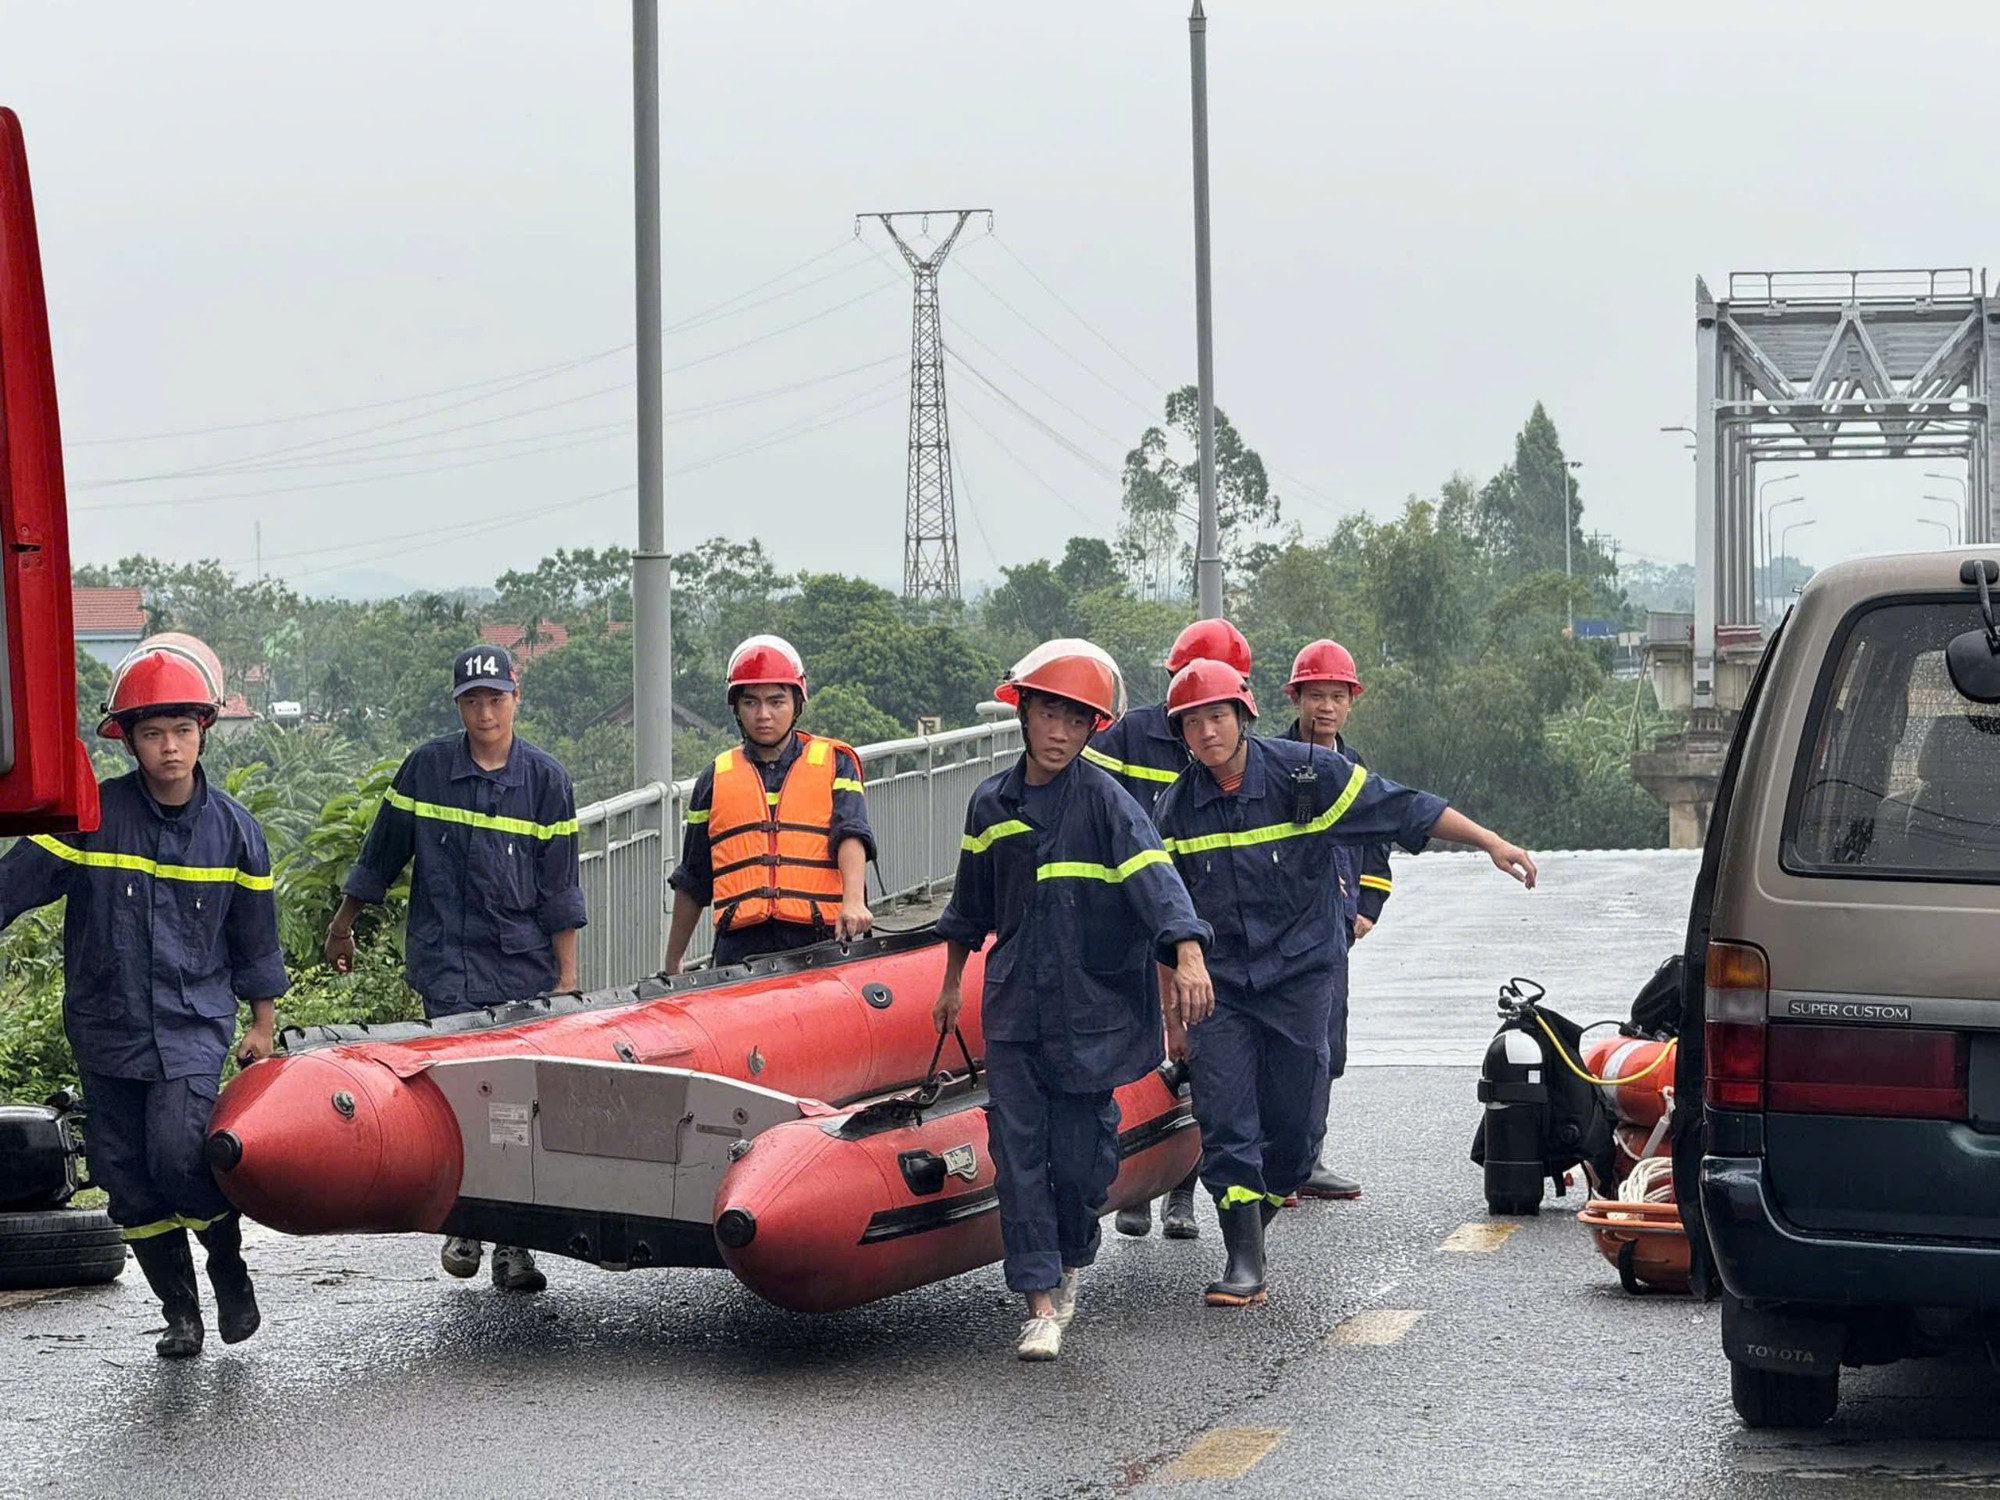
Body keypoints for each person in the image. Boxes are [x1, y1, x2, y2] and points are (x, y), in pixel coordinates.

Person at [1153, 657, 1536, 1309]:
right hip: (1222, 993)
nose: (1207, 732)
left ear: (1244, 717)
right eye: (1192, 723)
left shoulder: (1308, 779)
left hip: (1300, 976)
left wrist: (1487, 841)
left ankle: (1260, 1216)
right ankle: (1242, 1257)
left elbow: (1403, 807)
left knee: (1295, 1131)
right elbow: (1164, 915)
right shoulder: (1174, 813)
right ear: (1181, 735)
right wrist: (1174, 1019)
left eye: (1217, 716)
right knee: (1225, 1120)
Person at [0, 641, 288, 1357]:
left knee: (179, 1157)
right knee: (127, 1179)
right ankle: (180, 1312)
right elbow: (15, 884)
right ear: (127, 739)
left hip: (191, 1029)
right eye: (153, 733)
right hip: (106, 1028)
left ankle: (227, 1266)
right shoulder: (92, 817)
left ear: (203, 732)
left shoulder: (235, 832)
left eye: (182, 731)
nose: (169, 747)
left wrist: (262, 1023)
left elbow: (256, 939)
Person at [931, 640, 1213, 1361]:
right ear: (1021, 714)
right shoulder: (991, 803)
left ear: (1093, 729)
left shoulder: (1110, 805)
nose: (1058, 732)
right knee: (1018, 1153)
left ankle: (1071, 1258)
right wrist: (951, 979)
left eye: (1075, 720)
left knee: (1083, 1159)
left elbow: (1158, 882)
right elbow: (969, 903)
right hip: (1017, 1005)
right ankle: (1039, 1303)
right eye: (1046, 713)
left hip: (1093, 1010)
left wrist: (1185, 952)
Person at [326, 643, 585, 1294]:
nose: (485, 712)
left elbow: (561, 888)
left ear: (515, 699)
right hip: (447, 965)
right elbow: (380, 853)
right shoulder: (425, 771)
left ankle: (516, 1246)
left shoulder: (547, 782)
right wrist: (344, 921)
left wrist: (567, 977)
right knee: (457, 1098)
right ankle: (465, 1221)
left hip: (522, 967)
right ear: (460, 707)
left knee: (519, 1107)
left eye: (495, 698)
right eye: (472, 701)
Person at [1096, 617, 1251, 1242]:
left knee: (1195, 1055)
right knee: (1143, 1051)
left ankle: (1183, 1189)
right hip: (1136, 915)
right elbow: (1089, 797)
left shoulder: (1238, 748)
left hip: (1202, 918)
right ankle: (1138, 1185)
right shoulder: (1132, 736)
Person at [664, 634, 875, 973]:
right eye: (751, 703)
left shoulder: (836, 762)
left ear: (797, 703)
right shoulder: (715, 777)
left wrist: (853, 901)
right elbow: (693, 878)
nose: (764, 715)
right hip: (742, 949)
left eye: (776, 702)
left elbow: (850, 832)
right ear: (737, 708)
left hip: (820, 939)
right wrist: (673, 962)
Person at [1280, 640, 1388, 1201]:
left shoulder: (1355, 767)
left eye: (1337, 696)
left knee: (1326, 1044)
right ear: (1296, 698)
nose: (1326, 707)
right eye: (1316, 695)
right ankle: (1280, 1164)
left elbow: (1378, 843)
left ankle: (1307, 1158)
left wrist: (1367, 907)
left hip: (1333, 928)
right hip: (1277, 929)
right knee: (1282, 1043)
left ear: (1351, 703)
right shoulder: (1269, 760)